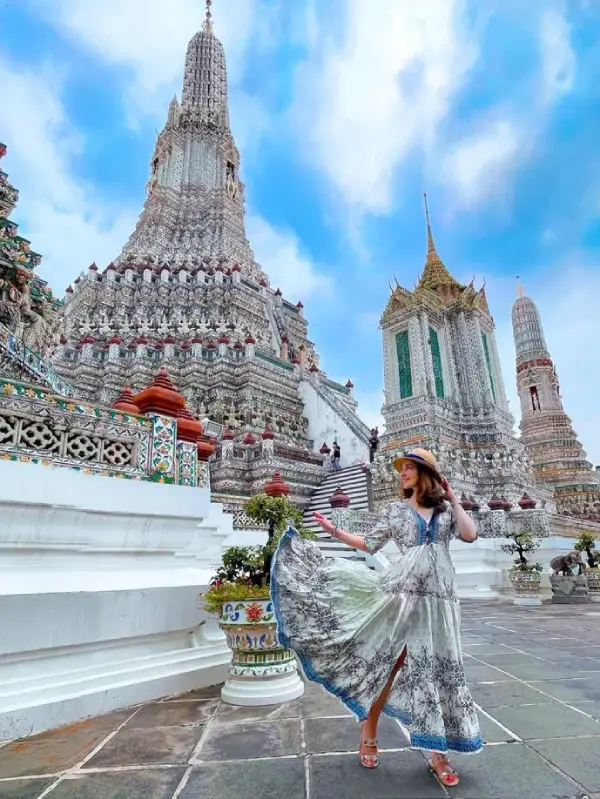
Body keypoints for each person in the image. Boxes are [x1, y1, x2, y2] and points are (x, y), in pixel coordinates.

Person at [270, 448, 481, 788]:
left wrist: (454, 498)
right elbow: (370, 544)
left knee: (438, 670)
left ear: (427, 474)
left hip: (439, 604)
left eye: (410, 468)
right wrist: (334, 532)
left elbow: (470, 534)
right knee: (390, 665)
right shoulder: (397, 511)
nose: (403, 473)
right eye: (403, 469)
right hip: (401, 596)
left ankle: (437, 752)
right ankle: (369, 729)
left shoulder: (444, 512)